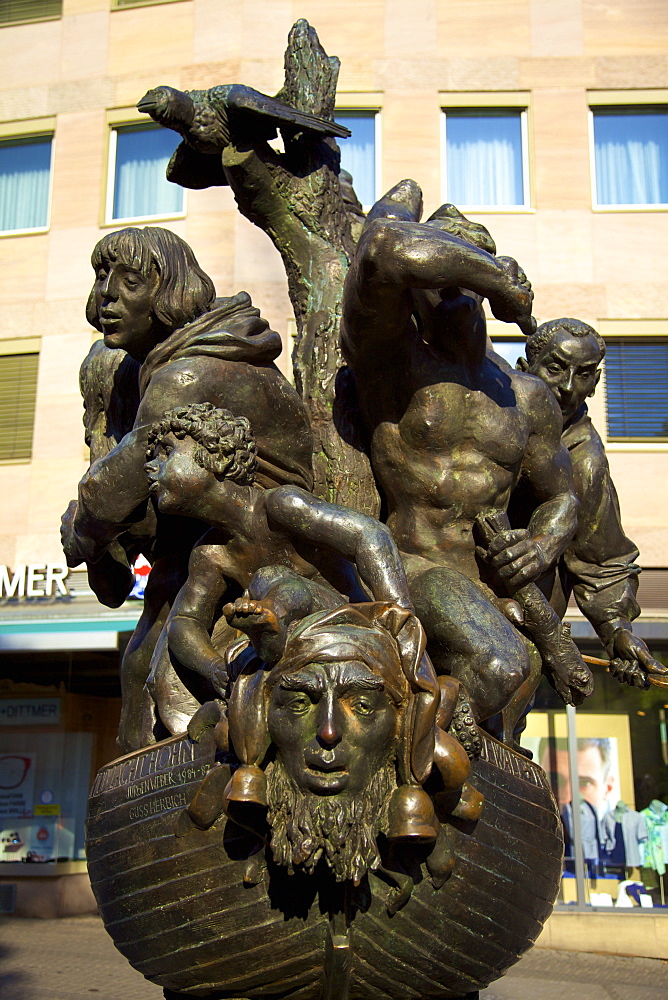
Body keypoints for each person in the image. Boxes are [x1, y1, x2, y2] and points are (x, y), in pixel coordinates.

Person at [61, 226, 314, 752]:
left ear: (167, 291)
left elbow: (116, 489)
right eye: (101, 279)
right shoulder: (147, 371)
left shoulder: (188, 374)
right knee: (141, 673)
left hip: (257, 564)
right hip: (194, 554)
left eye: (128, 282)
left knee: (169, 689)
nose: (106, 296)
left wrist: (83, 525)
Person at [340, 193, 581, 736]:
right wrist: (497, 276)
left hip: (496, 587)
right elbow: (381, 247)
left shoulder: (529, 396)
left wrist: (541, 543)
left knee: (510, 712)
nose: (449, 285)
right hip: (415, 567)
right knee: (499, 666)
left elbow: (560, 498)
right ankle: (397, 749)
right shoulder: (389, 360)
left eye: (462, 269)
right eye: (438, 268)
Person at [142, 401, 429, 724]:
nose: (151, 469)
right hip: (288, 655)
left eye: (166, 453)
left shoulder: (280, 505)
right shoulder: (209, 554)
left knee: (271, 576)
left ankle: (270, 622)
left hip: (346, 626)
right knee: (177, 661)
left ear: (217, 456)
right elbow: (185, 621)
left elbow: (369, 535)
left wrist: (401, 623)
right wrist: (212, 665)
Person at [518, 318, 667, 687]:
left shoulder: (585, 461)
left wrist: (617, 631)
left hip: (523, 627)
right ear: (524, 370)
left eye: (583, 374)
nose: (568, 387)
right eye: (555, 368)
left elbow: (604, 563)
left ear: (596, 383)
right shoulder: (486, 417)